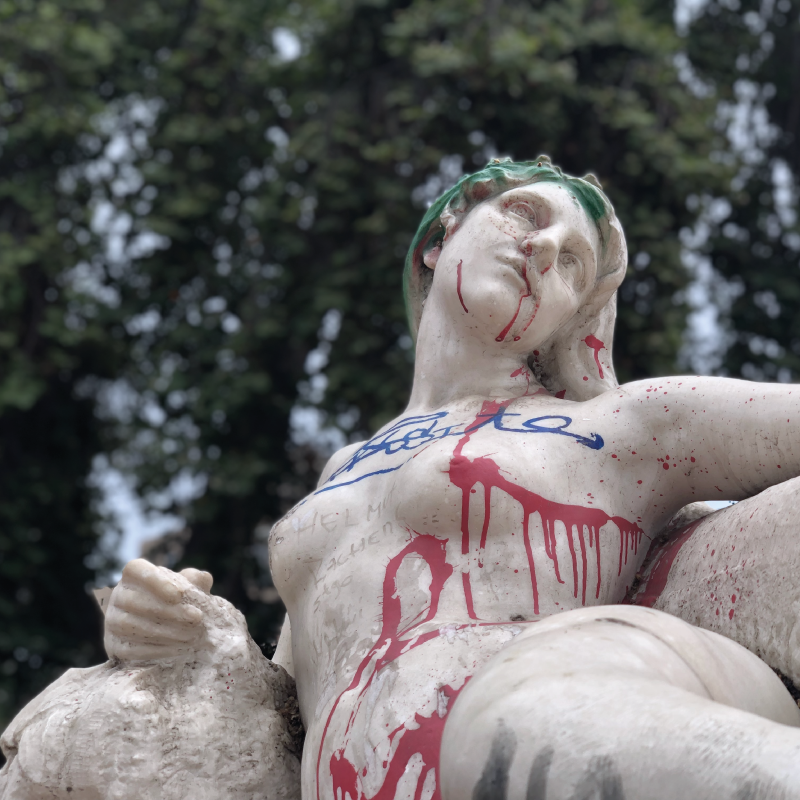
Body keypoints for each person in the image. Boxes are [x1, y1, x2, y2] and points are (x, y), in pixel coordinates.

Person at [105, 158, 800, 799]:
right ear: (442, 237)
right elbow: (292, 695)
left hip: (566, 709)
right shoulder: (341, 470)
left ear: (573, 317)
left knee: (522, 718)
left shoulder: (623, 426)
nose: (546, 249)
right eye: (525, 214)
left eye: (575, 266)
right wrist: (188, 639)